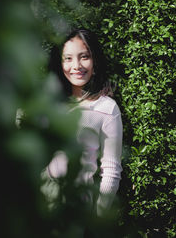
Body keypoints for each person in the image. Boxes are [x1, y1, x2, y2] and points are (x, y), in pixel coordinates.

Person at [41, 28, 123, 217]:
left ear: (95, 61)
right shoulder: (50, 102)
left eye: (84, 56)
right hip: (39, 200)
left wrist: (98, 217)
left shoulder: (107, 108)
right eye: (68, 58)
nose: (76, 65)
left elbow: (111, 169)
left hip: (75, 204)